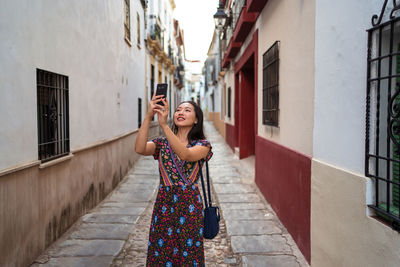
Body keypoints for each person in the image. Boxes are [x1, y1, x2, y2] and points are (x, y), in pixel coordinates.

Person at [135, 91, 213, 266]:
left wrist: (164, 126)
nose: (180, 112)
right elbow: (140, 148)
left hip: (190, 207)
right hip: (164, 206)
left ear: (196, 120)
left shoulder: (202, 145)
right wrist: (148, 116)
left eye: (187, 110)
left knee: (188, 256)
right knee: (161, 254)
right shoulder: (162, 144)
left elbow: (185, 154)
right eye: (178, 110)